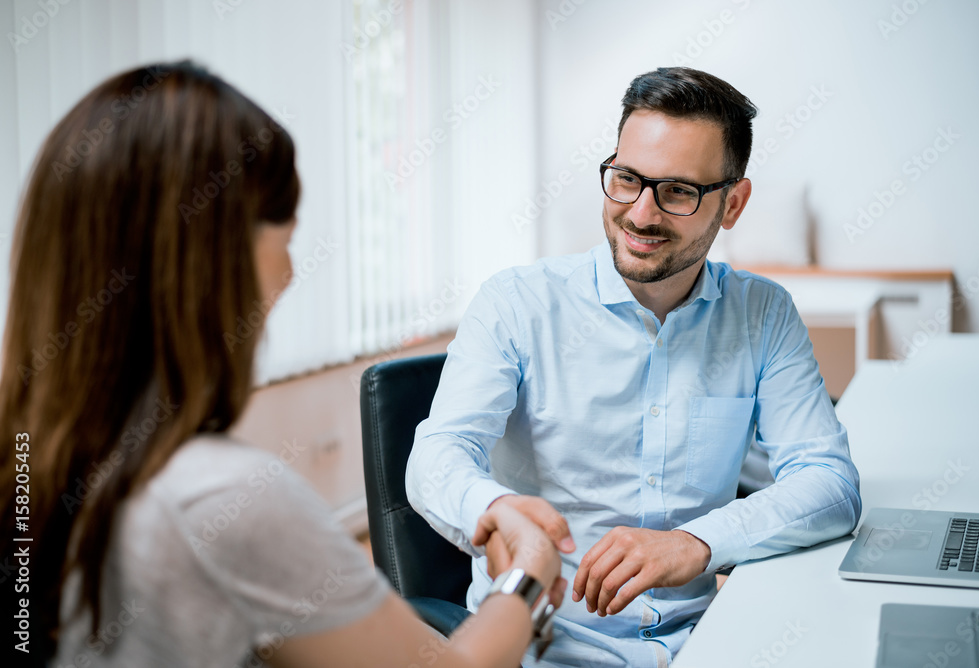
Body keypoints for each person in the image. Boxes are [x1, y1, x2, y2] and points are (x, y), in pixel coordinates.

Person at [0, 61, 564, 668]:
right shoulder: (221, 498)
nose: (291, 274)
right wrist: (527, 581)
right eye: (285, 239)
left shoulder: (27, 459)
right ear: (212, 261)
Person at [406, 66, 862, 667]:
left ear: (733, 204)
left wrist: (698, 542)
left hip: (704, 640)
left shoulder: (762, 313)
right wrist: (493, 511)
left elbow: (830, 483)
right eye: (626, 179)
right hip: (548, 646)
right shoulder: (517, 303)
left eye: (678, 191)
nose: (641, 215)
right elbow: (436, 456)